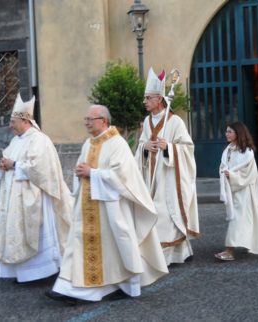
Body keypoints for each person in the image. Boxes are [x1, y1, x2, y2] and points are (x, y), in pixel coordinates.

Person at [45, 105, 168, 305]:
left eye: (90, 119)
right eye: (85, 119)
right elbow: (83, 169)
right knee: (81, 246)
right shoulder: (88, 143)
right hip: (88, 206)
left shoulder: (117, 143)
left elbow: (123, 176)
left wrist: (92, 173)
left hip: (112, 208)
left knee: (117, 248)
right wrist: (80, 173)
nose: (86, 122)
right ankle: (69, 289)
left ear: (103, 120)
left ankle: (128, 287)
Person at [0, 93, 72, 283]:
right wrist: (5, 165)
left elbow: (41, 168)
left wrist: (14, 165)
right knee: (17, 234)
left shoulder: (39, 140)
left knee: (38, 234)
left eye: (13, 121)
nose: (10, 125)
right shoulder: (16, 141)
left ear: (25, 120)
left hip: (36, 198)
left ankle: (42, 272)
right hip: (15, 198)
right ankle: (20, 271)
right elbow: (12, 161)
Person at [135, 67, 199, 266]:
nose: (144, 102)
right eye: (145, 98)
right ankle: (154, 253)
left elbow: (187, 148)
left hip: (169, 176)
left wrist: (168, 147)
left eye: (148, 98)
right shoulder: (147, 121)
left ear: (159, 99)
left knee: (166, 212)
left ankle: (171, 255)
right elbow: (141, 144)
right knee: (152, 211)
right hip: (150, 176)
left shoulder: (176, 122)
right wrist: (145, 147)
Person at [215, 122, 258, 261]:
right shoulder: (229, 149)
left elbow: (249, 174)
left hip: (245, 192)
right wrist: (225, 173)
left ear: (238, 133)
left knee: (237, 219)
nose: (227, 134)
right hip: (233, 189)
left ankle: (229, 251)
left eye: (230, 131)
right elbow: (224, 166)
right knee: (242, 219)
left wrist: (232, 175)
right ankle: (245, 243)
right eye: (226, 131)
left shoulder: (247, 152)